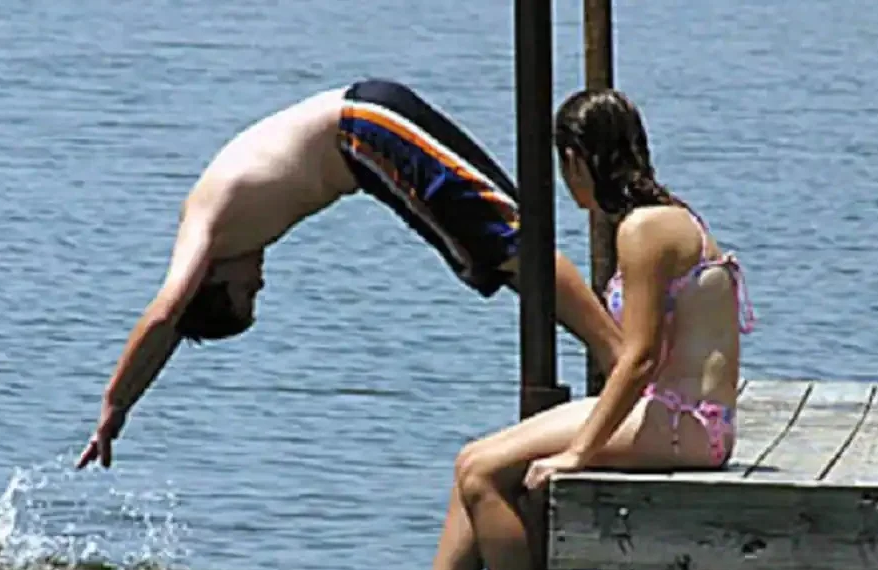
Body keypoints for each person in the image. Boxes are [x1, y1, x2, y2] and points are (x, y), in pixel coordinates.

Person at [336, 88, 756, 570]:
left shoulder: (644, 230)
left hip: (686, 427)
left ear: (577, 160)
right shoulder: (662, 219)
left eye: (566, 167)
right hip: (678, 415)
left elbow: (637, 357)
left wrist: (579, 453)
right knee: (475, 459)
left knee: (483, 474)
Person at [75, 78, 622, 469]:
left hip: (365, 129)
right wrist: (133, 400)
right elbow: (172, 332)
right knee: (487, 258)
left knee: (511, 244)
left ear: (212, 280)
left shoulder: (204, 230)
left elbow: (165, 314)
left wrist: (113, 405)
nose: (261, 281)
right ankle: (616, 352)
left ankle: (618, 356)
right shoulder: (214, 244)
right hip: (366, 146)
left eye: (247, 291)